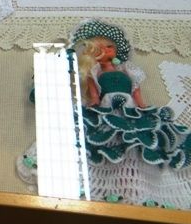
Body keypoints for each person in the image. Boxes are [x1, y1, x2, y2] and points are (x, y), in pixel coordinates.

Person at [72, 19, 190, 168]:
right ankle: (115, 159)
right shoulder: (95, 72)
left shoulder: (126, 69)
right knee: (111, 127)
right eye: (100, 49)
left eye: (109, 47)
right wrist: (94, 100)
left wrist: (140, 103)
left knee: (136, 129)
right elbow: (94, 91)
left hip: (130, 104)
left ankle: (135, 160)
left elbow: (135, 88)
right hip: (108, 104)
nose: (106, 50)